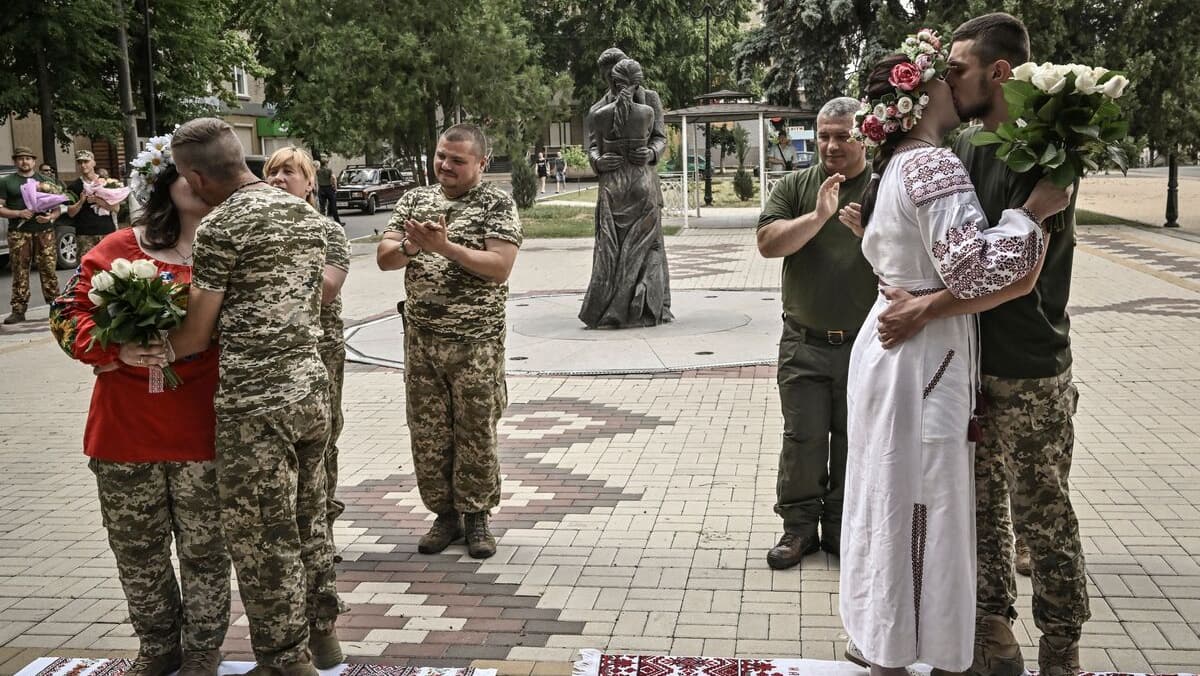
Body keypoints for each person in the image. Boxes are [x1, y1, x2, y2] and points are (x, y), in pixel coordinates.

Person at [838, 32, 1071, 675]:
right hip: (925, 356)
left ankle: (880, 634)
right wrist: (1030, 214)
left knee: (886, 490)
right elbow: (972, 269)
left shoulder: (899, 166)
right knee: (927, 498)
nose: (955, 78)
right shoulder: (934, 165)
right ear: (926, 91)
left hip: (893, 345)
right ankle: (919, 646)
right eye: (946, 72)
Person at [161, 118, 340, 676]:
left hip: (254, 404)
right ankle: (324, 634)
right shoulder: (306, 217)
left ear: (194, 176)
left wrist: (140, 346)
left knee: (264, 536)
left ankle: (285, 662)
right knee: (311, 521)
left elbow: (193, 335)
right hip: (311, 392)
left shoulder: (223, 227)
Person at [48, 148, 230, 676]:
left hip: (205, 426)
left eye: (208, 175)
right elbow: (67, 313)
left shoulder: (233, 250)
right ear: (164, 182)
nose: (197, 183)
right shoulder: (119, 247)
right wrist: (111, 349)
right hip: (125, 429)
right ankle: (156, 646)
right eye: (185, 174)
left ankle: (201, 650)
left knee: (206, 552)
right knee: (138, 553)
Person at [376, 123, 521, 560]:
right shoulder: (416, 199)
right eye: (441, 156)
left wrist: (445, 247)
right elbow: (384, 258)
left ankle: (477, 516)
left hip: (475, 343)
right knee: (428, 432)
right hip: (421, 341)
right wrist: (410, 244)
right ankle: (445, 515)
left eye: (457, 160)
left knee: (475, 429)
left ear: (481, 163)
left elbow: (499, 266)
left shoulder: (496, 202)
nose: (445, 165)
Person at [755, 97, 872, 570]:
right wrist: (818, 217)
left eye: (843, 135)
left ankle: (843, 530)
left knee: (853, 439)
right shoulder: (798, 185)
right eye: (824, 134)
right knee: (802, 439)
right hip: (803, 341)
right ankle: (798, 530)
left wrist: (873, 234)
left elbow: (913, 258)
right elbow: (767, 244)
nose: (831, 144)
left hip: (865, 344)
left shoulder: (883, 186)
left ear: (864, 136)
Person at [263, 147, 351, 558]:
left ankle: (322, 528)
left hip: (320, 352)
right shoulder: (255, 229)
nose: (279, 179)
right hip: (271, 356)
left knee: (323, 441)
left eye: (289, 172)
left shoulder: (327, 231)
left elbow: (329, 290)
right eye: (273, 172)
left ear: (310, 182)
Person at [579, 58, 673, 329]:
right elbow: (593, 146)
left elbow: (660, 137)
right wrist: (598, 161)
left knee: (652, 250)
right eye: (605, 75)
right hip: (615, 185)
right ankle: (613, 304)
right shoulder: (598, 109)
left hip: (642, 184)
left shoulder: (651, 100)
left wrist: (652, 152)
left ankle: (656, 305)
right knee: (611, 249)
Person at [0, 146, 62, 325]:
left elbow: (57, 209)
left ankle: (55, 307)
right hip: (19, 233)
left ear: (34, 161)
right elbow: (1, 208)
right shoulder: (7, 182)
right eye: (20, 158)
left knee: (49, 270)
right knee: (19, 271)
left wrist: (50, 217)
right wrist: (18, 213)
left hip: (44, 232)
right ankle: (18, 310)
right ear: (15, 161)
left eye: (28, 158)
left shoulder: (46, 180)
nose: (24, 161)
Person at [67, 150, 122, 258]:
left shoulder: (107, 182)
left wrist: (98, 201)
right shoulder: (74, 186)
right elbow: (70, 213)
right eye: (80, 162)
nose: (83, 165)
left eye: (86, 161)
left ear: (93, 163)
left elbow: (116, 208)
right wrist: (81, 202)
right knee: (86, 269)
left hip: (106, 231)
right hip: (85, 233)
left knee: (109, 267)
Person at [315, 160, 341, 224]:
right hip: (329, 188)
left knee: (322, 207)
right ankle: (337, 221)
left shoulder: (318, 171)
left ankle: (323, 222)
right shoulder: (329, 170)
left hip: (321, 189)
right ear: (326, 163)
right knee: (333, 206)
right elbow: (333, 178)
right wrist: (335, 187)